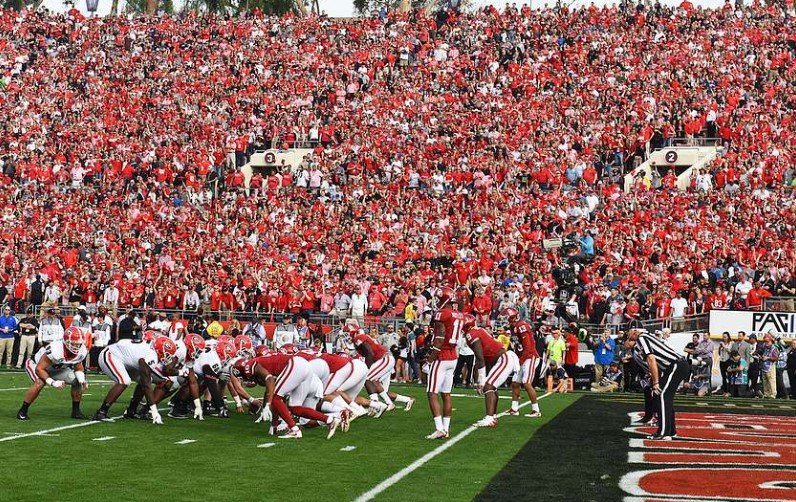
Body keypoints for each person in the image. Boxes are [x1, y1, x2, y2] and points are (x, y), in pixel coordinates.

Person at [92, 336, 177, 424]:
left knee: (145, 380)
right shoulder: (151, 355)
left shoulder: (150, 350)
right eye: (167, 355)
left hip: (125, 359)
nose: (169, 358)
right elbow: (146, 384)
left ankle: (131, 410)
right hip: (111, 355)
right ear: (160, 350)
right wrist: (154, 411)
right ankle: (101, 412)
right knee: (124, 381)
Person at [624, 329, 689, 440]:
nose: (626, 339)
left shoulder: (641, 339)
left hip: (675, 365)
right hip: (673, 366)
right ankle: (670, 430)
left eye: (628, 336)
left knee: (662, 395)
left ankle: (664, 432)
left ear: (634, 331)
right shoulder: (641, 341)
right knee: (663, 396)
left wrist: (656, 382)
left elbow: (651, 359)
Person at [17, 327, 89, 420]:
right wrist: (53, 382)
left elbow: (78, 368)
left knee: (77, 381)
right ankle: (23, 411)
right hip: (36, 364)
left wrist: (82, 380)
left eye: (78, 344)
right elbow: (39, 369)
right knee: (40, 383)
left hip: (57, 368)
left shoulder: (81, 350)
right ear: (66, 341)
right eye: (73, 344)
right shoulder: (55, 349)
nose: (76, 347)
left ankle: (76, 411)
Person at [425, 287, 464, 439]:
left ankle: (439, 428)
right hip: (453, 356)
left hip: (442, 356)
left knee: (432, 393)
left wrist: (430, 360)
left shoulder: (442, 314)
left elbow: (440, 339)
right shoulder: (459, 314)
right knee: (446, 394)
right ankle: (446, 429)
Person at [465, 321, 519, 428]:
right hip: (502, 358)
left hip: (504, 358)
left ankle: (489, 418)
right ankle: (492, 416)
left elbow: (480, 358)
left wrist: (481, 381)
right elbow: (483, 358)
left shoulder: (471, 334)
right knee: (491, 387)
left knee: (488, 386)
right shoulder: (479, 330)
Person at [350, 324, 415, 413]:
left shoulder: (359, 338)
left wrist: (367, 368)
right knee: (381, 391)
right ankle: (407, 400)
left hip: (383, 360)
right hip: (384, 361)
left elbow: (370, 354)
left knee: (368, 378)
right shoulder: (364, 338)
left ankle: (378, 404)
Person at [502, 308, 541, 418]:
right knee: (515, 383)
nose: (505, 319)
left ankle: (536, 410)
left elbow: (528, 347)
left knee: (526, 383)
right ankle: (514, 409)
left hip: (530, 357)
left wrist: (520, 361)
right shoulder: (513, 327)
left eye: (507, 317)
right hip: (522, 357)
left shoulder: (521, 326)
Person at [759, 333, 780, 399]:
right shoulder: (764, 348)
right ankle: (766, 394)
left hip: (770, 367)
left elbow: (776, 358)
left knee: (771, 381)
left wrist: (768, 358)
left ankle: (773, 394)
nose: (766, 343)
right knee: (765, 382)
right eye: (765, 342)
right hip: (764, 367)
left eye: (767, 342)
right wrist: (761, 357)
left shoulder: (774, 348)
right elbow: (764, 356)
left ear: (771, 341)